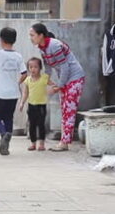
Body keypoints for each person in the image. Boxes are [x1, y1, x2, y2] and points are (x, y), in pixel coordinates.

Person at [29, 23, 85, 151]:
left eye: (32, 35)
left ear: (41, 35)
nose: (31, 38)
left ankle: (64, 143)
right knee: (64, 110)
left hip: (75, 78)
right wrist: (44, 83)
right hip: (65, 79)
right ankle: (64, 141)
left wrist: (59, 85)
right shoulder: (42, 48)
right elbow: (48, 69)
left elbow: (65, 67)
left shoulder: (54, 45)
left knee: (69, 110)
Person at [0, 27, 27, 156]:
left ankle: (3, 133)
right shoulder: (18, 56)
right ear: (14, 40)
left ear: (1, 40)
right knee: (8, 117)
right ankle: (8, 135)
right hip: (13, 93)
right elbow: (24, 73)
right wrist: (17, 82)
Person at [19, 58, 54, 151]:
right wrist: (22, 103)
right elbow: (25, 93)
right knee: (32, 125)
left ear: (40, 68)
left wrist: (52, 90)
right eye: (30, 67)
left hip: (41, 106)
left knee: (41, 125)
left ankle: (41, 144)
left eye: (35, 67)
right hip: (31, 106)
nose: (33, 69)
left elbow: (54, 86)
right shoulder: (27, 80)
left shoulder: (45, 78)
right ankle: (33, 143)